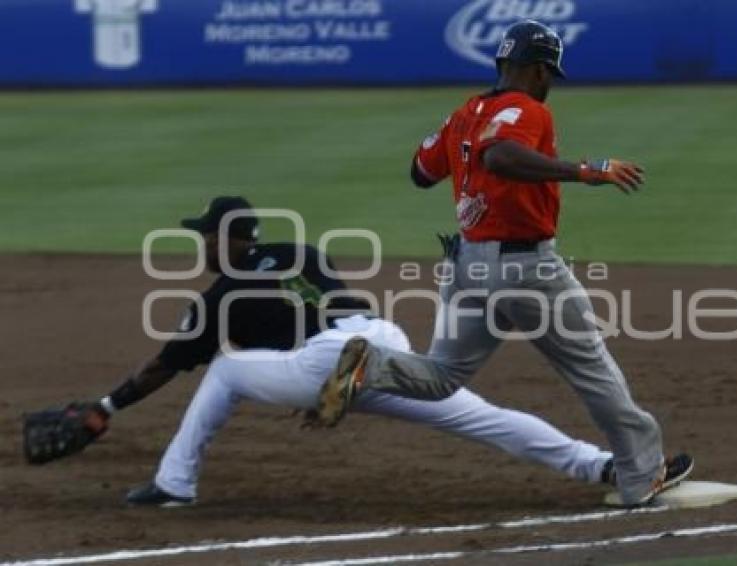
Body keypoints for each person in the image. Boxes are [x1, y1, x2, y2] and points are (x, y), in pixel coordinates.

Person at [315, 20, 693, 507]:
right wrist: (585, 170)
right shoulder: (527, 109)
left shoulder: (466, 112)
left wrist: (460, 142)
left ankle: (373, 363)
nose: (549, 85)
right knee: (592, 369)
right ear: (538, 71)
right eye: (550, 75)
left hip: (468, 266)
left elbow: (420, 172)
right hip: (526, 270)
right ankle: (642, 476)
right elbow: (500, 157)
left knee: (442, 375)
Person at [68, 196, 617, 506]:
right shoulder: (301, 250)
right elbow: (301, 309)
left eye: (206, 236)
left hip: (326, 357)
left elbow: (163, 366)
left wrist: (108, 406)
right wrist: (322, 385)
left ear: (230, 238)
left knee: (226, 369)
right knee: (481, 416)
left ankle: (173, 483)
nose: (202, 245)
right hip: (379, 340)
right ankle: (599, 466)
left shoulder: (221, 294)